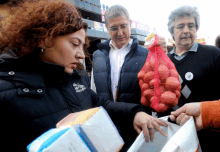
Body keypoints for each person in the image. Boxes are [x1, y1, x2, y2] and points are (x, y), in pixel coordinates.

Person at [0, 0, 168, 151]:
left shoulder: (74, 78)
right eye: (74, 44)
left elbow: (100, 103)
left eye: (83, 46)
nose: (81, 55)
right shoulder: (6, 91)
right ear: (43, 39)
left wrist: (134, 113)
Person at [90, 5, 167, 151]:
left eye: (123, 26)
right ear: (106, 28)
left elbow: (157, 95)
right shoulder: (98, 55)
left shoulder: (147, 55)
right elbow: (93, 91)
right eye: (114, 28)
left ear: (130, 24)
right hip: (106, 129)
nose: (120, 33)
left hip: (137, 129)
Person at [166, 5, 220, 151]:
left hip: (209, 136)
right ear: (172, 31)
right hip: (174, 137)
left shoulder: (213, 54)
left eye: (191, 26)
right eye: (180, 26)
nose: (186, 31)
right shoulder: (163, 61)